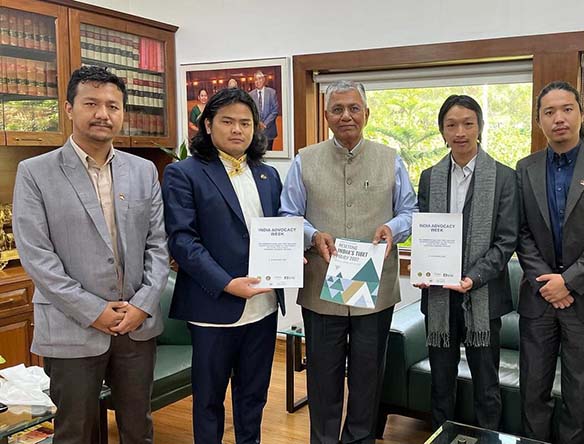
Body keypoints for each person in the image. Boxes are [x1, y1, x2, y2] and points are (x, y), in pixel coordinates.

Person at [12, 65, 169, 444]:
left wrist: (143, 304)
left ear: (122, 113)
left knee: (138, 428)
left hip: (136, 326)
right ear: (69, 108)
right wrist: (93, 310)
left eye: (113, 106)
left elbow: (158, 245)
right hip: (72, 327)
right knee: (75, 433)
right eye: (91, 103)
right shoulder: (35, 172)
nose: (103, 113)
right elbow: (37, 257)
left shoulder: (143, 170)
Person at [280, 80, 417, 444]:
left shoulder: (391, 158)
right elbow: (288, 214)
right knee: (322, 378)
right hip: (322, 290)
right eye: (337, 109)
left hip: (375, 290)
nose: (346, 116)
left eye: (354, 108)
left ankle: (359, 439)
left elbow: (410, 211)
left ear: (367, 114)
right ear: (326, 116)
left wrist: (393, 227)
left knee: (368, 377)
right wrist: (311, 235)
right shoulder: (303, 159)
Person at [162, 88, 285, 444]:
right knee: (209, 401)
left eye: (245, 123)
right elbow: (183, 241)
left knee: (253, 396)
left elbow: (277, 230)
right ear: (207, 124)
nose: (237, 130)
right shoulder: (184, 173)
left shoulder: (267, 175)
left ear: (256, 128)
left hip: (262, 305)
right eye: (227, 121)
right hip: (213, 306)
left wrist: (291, 255)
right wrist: (227, 283)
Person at [516, 81, 584, 444]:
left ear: (581, 114)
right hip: (540, 297)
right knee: (533, 391)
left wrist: (570, 281)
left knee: (581, 396)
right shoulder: (525, 167)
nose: (559, 118)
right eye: (549, 112)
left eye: (566, 109)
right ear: (539, 121)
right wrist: (548, 284)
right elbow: (521, 233)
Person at [416, 95, 519, 431]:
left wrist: (472, 278)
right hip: (439, 299)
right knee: (440, 384)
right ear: (442, 132)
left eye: (467, 123)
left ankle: (489, 438)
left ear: (480, 127)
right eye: (451, 125)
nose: (460, 131)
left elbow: (506, 241)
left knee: (486, 385)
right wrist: (422, 268)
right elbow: (424, 231)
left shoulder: (504, 177)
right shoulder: (430, 177)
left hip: (483, 297)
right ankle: (440, 437)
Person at [248, 71, 279, 150]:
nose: (257, 81)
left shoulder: (272, 92)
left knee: (269, 154)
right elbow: (250, 111)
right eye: (255, 80)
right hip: (256, 131)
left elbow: (275, 110)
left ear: (264, 80)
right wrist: (258, 123)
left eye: (259, 79)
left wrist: (264, 124)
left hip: (269, 130)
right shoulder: (250, 95)